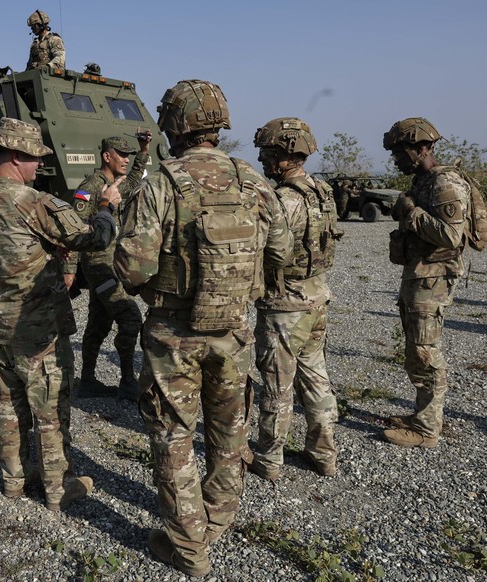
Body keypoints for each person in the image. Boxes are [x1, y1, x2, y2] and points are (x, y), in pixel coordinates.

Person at [114, 80, 292, 577]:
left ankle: (188, 548)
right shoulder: (252, 179)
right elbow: (280, 252)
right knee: (228, 428)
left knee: (173, 437)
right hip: (234, 330)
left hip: (175, 333)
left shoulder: (161, 183)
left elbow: (133, 270)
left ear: (174, 125)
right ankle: (218, 515)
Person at [0, 117, 124, 511]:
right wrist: (106, 207)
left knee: (9, 406)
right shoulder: (32, 201)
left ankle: (14, 481)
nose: (40, 166)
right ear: (17, 156)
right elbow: (92, 237)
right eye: (36, 158)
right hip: (38, 327)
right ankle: (59, 488)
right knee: (51, 409)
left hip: (0, 322)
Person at [251, 117, 343, 480]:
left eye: (266, 153)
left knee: (277, 385)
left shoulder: (283, 200)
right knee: (316, 377)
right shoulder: (322, 190)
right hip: (317, 297)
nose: (262, 160)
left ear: (283, 156)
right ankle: (323, 453)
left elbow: (272, 252)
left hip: (285, 305)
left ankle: (270, 459)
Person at [383, 117, 470, 448]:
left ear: (420, 149)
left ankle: (426, 430)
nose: (395, 160)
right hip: (420, 275)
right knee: (416, 348)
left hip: (432, 280)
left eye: (399, 153)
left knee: (425, 351)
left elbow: (450, 235)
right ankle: (423, 416)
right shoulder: (423, 182)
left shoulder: (443, 183)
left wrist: (410, 213)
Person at [65, 134, 151, 400]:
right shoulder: (90, 186)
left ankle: (88, 381)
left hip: (111, 261)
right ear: (106, 156)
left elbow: (135, 179)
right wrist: (69, 270)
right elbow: (74, 230)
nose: (126, 159)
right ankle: (127, 381)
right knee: (130, 316)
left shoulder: (115, 184)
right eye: (121, 154)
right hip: (98, 264)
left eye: (128, 154)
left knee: (99, 321)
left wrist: (144, 151)